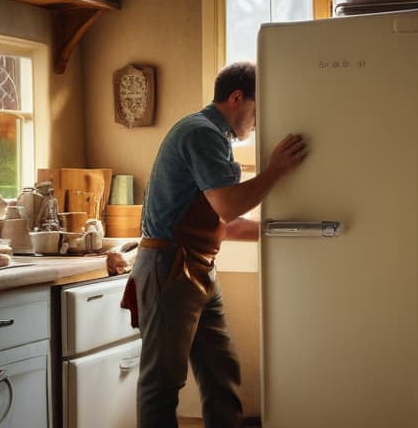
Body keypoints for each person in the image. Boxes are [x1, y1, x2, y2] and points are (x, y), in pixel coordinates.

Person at [121, 61, 307, 428]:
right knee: (162, 382)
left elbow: (224, 221)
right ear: (237, 98)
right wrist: (276, 170)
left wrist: (282, 231)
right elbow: (230, 205)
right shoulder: (202, 133)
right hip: (171, 267)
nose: (257, 123)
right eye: (257, 111)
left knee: (222, 371)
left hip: (197, 267)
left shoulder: (212, 136)